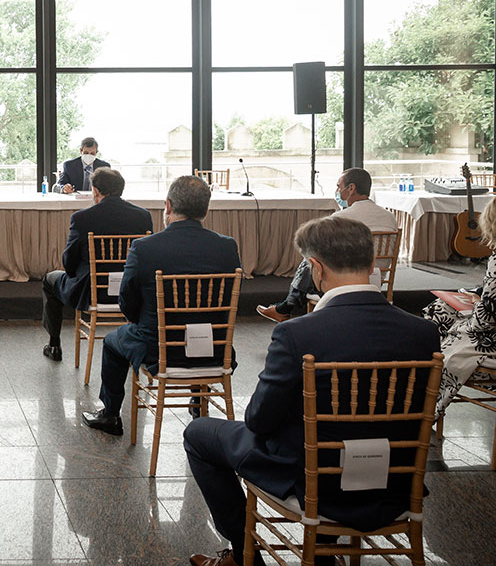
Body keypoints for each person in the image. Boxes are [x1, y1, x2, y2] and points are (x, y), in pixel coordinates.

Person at [185, 216, 440, 566]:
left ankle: (245, 554)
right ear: (370, 264)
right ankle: (324, 551)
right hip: (394, 481)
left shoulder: (297, 334)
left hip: (313, 482)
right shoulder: (423, 333)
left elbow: (259, 420)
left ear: (315, 268)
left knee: (199, 433)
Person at [83, 175, 241, 436]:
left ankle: (110, 414)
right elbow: (227, 302)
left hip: (157, 348)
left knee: (112, 342)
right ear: (206, 210)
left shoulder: (145, 248)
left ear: (167, 205)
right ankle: (198, 401)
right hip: (214, 350)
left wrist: (139, 322)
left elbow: (127, 301)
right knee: (196, 321)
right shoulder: (227, 247)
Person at [40, 167, 152, 361]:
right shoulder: (142, 216)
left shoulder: (82, 218)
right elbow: (145, 257)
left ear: (96, 191)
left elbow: (69, 263)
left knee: (50, 280)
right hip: (130, 291)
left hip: (91, 291)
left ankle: (54, 344)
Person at [257, 168, 397, 322]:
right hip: (379, 276)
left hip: (345, 278)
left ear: (351, 188)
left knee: (311, 258)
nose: (337, 191)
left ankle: (287, 306)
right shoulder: (390, 217)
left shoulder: (342, 218)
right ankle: (285, 307)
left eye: (339, 186)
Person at [424, 199, 496, 418]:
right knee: (441, 308)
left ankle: (424, 401)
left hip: (489, 338)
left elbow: (484, 322)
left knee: (442, 318)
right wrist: (478, 297)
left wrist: (474, 307)